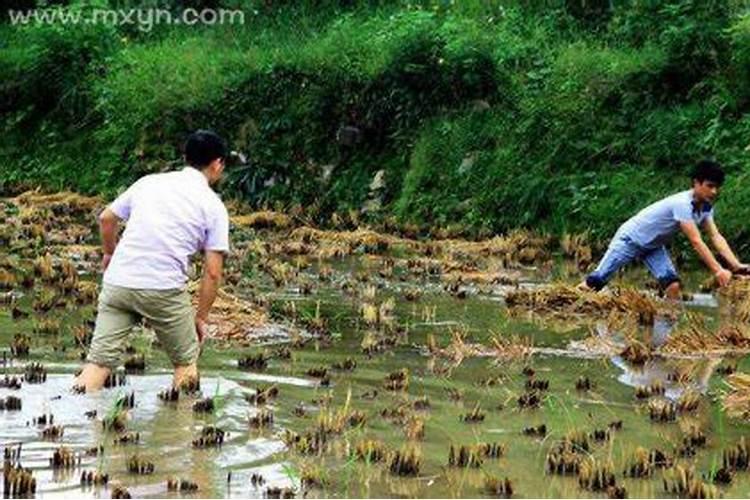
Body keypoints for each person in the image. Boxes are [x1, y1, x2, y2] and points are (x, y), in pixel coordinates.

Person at [74, 130, 230, 392]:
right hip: (163, 289)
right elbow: (213, 273)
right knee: (185, 362)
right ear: (217, 164)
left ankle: (73, 419)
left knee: (99, 363)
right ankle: (180, 429)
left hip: (118, 284)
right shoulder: (213, 206)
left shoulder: (148, 183)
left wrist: (110, 253)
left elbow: (106, 219)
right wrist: (201, 318)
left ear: (185, 158)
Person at [581, 160, 748, 299]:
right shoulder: (682, 204)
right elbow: (696, 241)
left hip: (653, 246)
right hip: (630, 240)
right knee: (595, 283)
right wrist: (718, 270)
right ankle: (569, 304)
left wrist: (735, 265)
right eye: (709, 186)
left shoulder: (705, 208)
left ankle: (665, 328)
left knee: (672, 286)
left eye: (717, 187)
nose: (714, 192)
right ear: (696, 183)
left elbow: (715, 236)